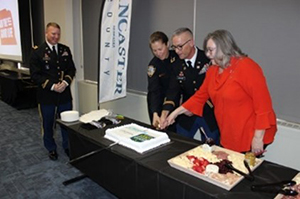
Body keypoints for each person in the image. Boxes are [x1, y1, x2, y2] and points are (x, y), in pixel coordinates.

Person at [166, 29, 277, 154]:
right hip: (229, 132)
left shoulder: (247, 67)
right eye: (207, 50)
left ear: (224, 48)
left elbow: (263, 106)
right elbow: (199, 96)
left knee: (244, 169)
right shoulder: (213, 70)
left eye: (211, 50)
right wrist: (174, 113)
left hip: (250, 133)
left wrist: (258, 138)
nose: (208, 54)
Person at [160, 27, 219, 144]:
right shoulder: (176, 64)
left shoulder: (208, 59)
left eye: (180, 46)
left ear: (191, 42)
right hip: (186, 113)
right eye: (174, 47)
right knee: (179, 145)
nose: (177, 51)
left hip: (208, 112)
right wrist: (165, 112)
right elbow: (173, 90)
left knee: (213, 150)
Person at [30, 22, 76, 160]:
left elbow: (71, 69)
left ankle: (67, 146)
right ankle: (51, 148)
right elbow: (35, 75)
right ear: (46, 33)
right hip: (47, 96)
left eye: (58, 34)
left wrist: (66, 82)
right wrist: (52, 86)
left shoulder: (65, 49)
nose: (56, 37)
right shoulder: (37, 52)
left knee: (67, 122)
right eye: (53, 34)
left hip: (64, 94)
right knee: (48, 123)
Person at [147, 31, 179, 130]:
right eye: (154, 50)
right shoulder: (153, 65)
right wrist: (155, 113)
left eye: (160, 49)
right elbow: (154, 90)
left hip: (176, 101)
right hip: (159, 103)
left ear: (167, 44)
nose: (158, 53)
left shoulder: (178, 57)